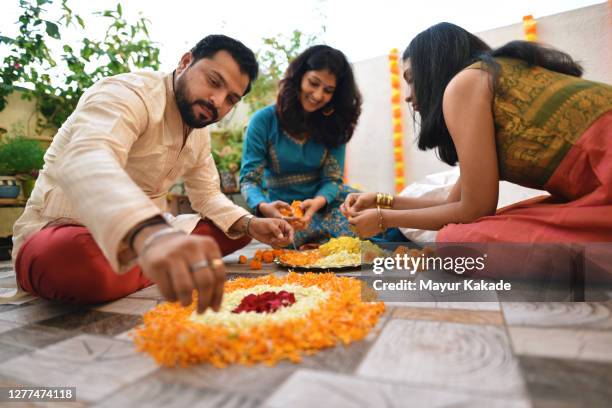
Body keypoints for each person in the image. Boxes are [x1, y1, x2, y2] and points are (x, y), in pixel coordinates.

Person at [10, 35, 294, 312]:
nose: (217, 101)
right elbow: (86, 156)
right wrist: (150, 235)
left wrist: (249, 223)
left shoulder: (198, 133)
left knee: (237, 232)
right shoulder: (128, 93)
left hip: (151, 236)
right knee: (77, 263)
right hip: (65, 229)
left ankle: (155, 260)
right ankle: (162, 260)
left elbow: (207, 195)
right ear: (185, 62)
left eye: (231, 99)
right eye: (213, 81)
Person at [342, 23, 612, 249]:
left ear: (433, 69)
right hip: (600, 179)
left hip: (605, 173)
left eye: (412, 78)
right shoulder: (487, 77)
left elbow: (473, 210)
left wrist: (382, 219)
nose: (408, 95)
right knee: (491, 225)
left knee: (459, 241)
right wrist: (382, 201)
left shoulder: (465, 83)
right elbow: (454, 204)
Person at [239, 45, 363, 248]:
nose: (318, 95)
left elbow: (333, 179)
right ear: (299, 77)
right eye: (313, 83)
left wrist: (317, 202)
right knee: (284, 237)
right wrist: (264, 207)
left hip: (326, 204)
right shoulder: (264, 121)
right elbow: (249, 180)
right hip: (284, 212)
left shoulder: (335, 124)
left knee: (372, 219)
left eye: (328, 90)